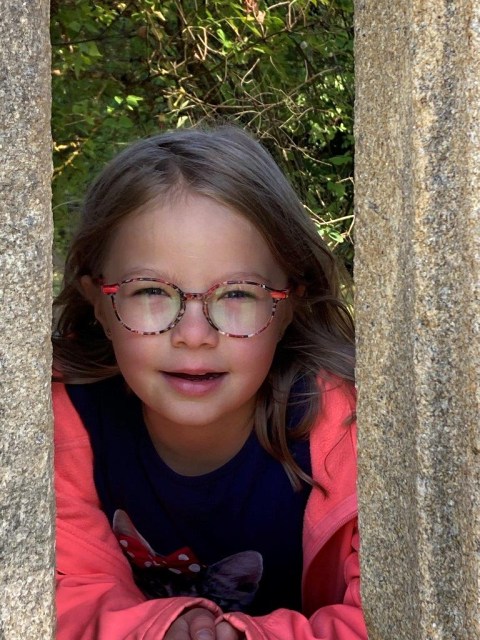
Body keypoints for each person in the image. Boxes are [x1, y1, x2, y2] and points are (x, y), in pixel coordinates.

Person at [52, 125, 366, 640]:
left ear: (289, 305)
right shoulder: (65, 420)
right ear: (98, 304)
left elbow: (382, 615)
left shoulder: (345, 432)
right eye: (150, 291)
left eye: (238, 294)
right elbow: (67, 592)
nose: (194, 335)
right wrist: (157, 630)